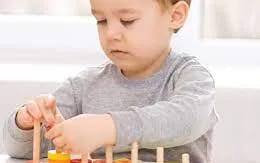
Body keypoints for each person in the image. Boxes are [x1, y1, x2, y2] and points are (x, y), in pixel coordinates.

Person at [3, 0, 218, 162]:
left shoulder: (191, 77)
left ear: (176, 15)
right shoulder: (83, 86)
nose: (112, 33)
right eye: (102, 21)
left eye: (127, 21)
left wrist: (110, 127)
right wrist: (29, 124)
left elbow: (187, 119)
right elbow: (18, 150)